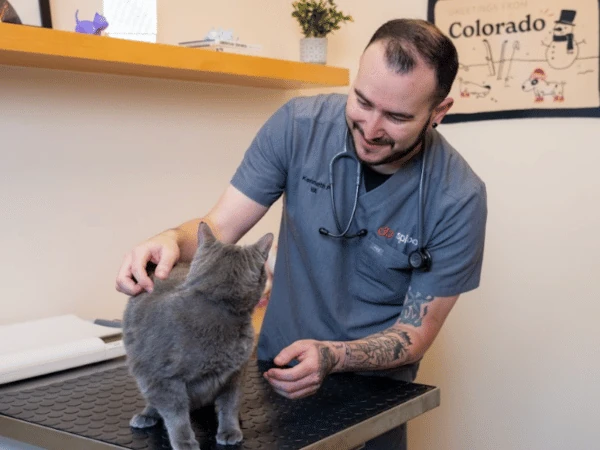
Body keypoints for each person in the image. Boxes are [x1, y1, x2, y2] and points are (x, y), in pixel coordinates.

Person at [116, 18, 487, 450]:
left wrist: (333, 356)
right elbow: (220, 227)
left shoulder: (457, 197)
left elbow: (417, 332)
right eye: (363, 102)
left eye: (397, 116)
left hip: (374, 394)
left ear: (438, 112)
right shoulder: (298, 127)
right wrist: (169, 241)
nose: (370, 129)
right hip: (276, 372)